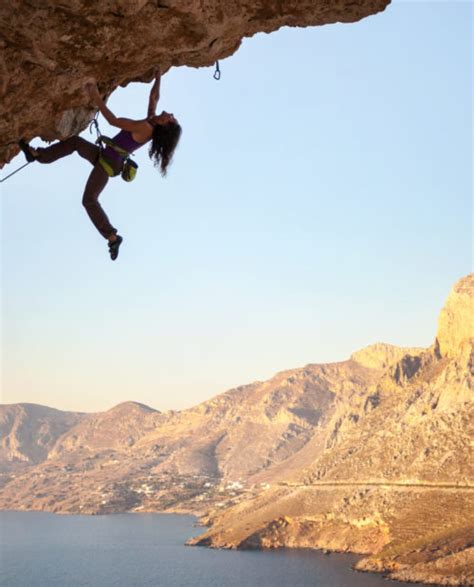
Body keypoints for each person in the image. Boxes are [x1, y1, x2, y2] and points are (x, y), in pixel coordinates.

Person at [18, 68, 182, 260]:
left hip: (108, 164)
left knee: (89, 199)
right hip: (106, 156)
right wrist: (158, 77)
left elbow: (114, 121)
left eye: (171, 118)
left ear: (165, 125)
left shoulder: (145, 127)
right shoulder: (151, 123)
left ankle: (112, 237)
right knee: (75, 143)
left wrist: (96, 97)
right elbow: (154, 99)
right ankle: (37, 155)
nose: (170, 114)